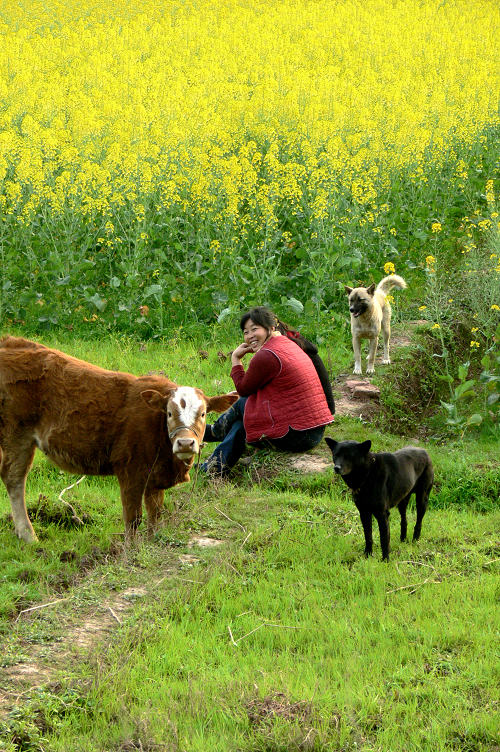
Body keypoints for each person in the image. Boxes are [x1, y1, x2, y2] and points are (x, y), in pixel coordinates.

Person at [201, 306, 335, 476]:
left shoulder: (267, 355)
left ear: (271, 328)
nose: (250, 336)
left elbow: (243, 389)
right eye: (245, 332)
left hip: (297, 435)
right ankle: (214, 467)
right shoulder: (287, 343)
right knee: (242, 421)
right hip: (313, 431)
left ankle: (212, 432)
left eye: (255, 329)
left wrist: (235, 359)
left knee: (244, 404)